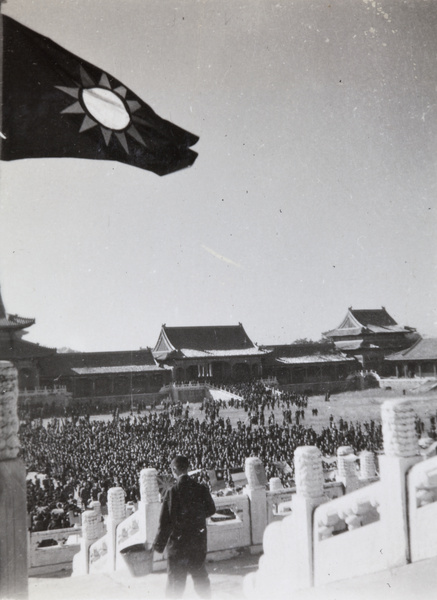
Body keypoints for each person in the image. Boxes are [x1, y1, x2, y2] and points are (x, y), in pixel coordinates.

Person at [153, 455, 216, 599]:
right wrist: (196, 517)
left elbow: (165, 523)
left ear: (174, 470)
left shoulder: (172, 492)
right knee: (201, 580)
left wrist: (158, 546)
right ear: (188, 468)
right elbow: (211, 509)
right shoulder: (201, 488)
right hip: (197, 542)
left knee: (176, 584)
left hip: (178, 546)